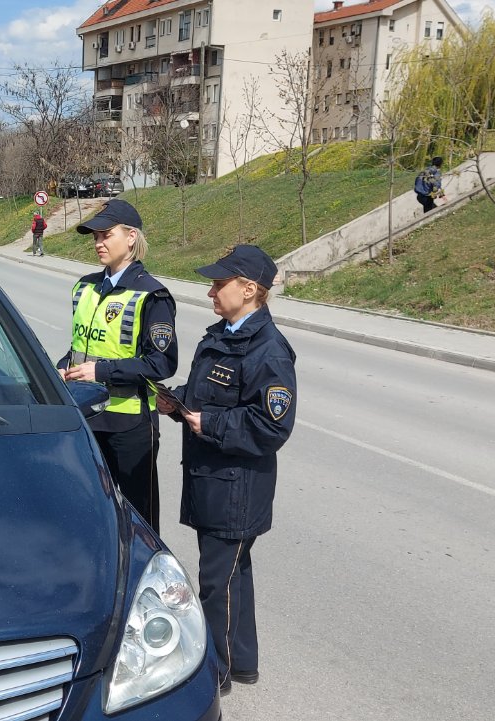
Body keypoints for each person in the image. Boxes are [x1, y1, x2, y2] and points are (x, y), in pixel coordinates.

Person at [155, 244, 298, 696]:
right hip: (212, 478)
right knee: (234, 576)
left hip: (236, 487)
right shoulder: (222, 334)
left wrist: (209, 422)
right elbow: (206, 394)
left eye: (220, 283)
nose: (211, 290)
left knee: (216, 583)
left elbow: (271, 426)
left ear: (250, 289)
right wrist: (177, 403)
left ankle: (213, 671)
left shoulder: (268, 350)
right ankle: (241, 662)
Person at [59, 198, 177, 532]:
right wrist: (60, 367)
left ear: (130, 237)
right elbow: (80, 346)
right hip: (87, 419)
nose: (98, 243)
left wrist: (101, 372)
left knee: (140, 520)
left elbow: (161, 362)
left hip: (130, 426)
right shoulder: (85, 286)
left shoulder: (151, 295)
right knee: (95, 514)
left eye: (106, 235)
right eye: (95, 237)